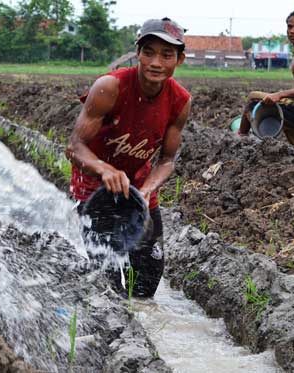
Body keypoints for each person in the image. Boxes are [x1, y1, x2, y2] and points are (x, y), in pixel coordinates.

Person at [65, 17, 191, 297]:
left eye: (166, 55)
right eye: (149, 52)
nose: (156, 63)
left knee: (149, 268)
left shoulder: (180, 101)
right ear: (138, 53)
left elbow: (167, 160)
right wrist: (103, 169)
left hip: (139, 185)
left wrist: (147, 190)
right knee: (107, 279)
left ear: (179, 60)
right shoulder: (110, 87)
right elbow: (74, 146)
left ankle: (142, 322)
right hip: (94, 186)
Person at [238, 10, 294, 156]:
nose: (292, 31)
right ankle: (243, 136)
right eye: (289, 27)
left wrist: (280, 95)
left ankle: (241, 139)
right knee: (254, 95)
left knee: (252, 104)